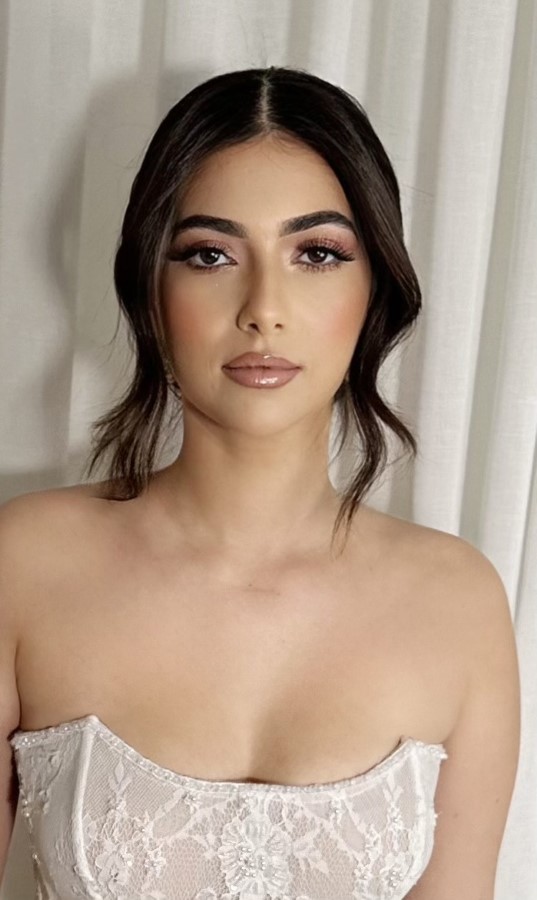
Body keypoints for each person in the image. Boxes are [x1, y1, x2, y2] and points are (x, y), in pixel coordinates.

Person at [0, 66, 520, 899]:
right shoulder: (24, 563)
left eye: (316, 254)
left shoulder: (456, 601)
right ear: (151, 286)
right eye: (210, 254)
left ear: (374, 288)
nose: (262, 308)